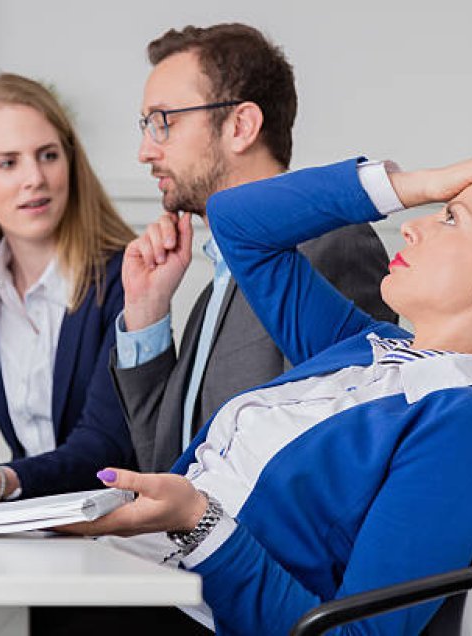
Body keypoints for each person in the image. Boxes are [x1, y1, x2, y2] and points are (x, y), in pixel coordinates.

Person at [65, 149, 472, 635]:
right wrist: (418, 183)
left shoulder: (465, 427)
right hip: (143, 578)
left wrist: (199, 520)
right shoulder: (365, 347)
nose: (413, 223)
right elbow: (236, 222)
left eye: (449, 217)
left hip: (187, 610)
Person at [112, 23, 396, 473]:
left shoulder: (331, 246)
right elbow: (164, 466)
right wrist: (147, 314)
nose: (146, 151)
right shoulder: (213, 292)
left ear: (241, 126)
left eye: (164, 122)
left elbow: (332, 462)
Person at [0, 73, 137, 504]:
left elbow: (105, 446)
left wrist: (0, 481)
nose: (34, 177)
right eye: (8, 162)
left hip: (116, 525)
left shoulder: (124, 276)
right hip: (30, 523)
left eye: (48, 155)